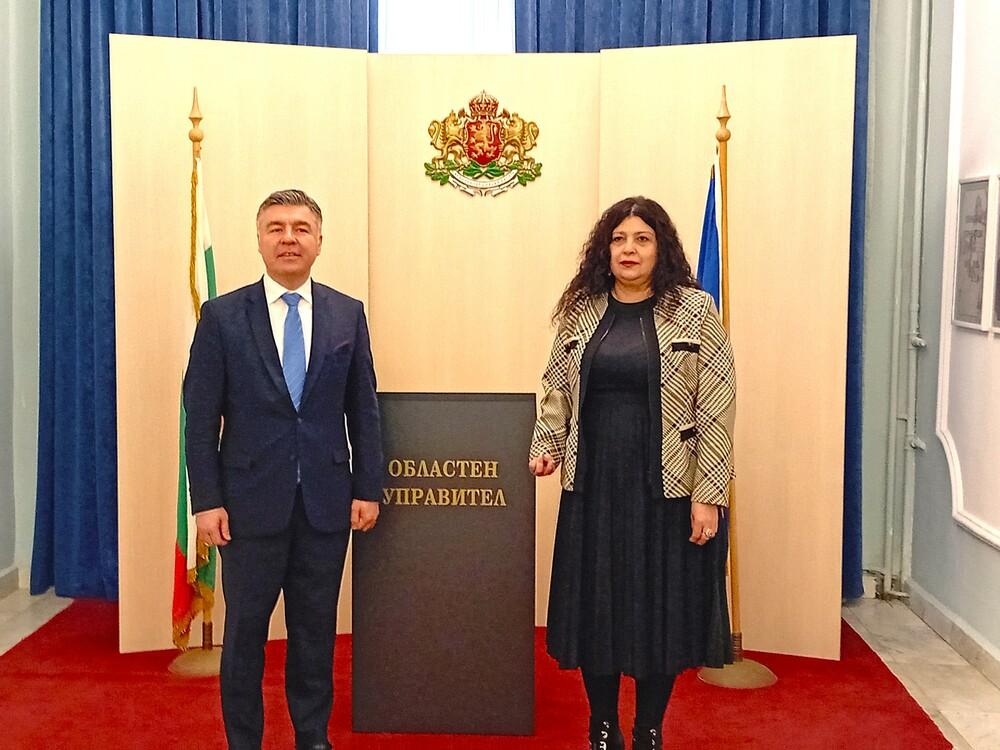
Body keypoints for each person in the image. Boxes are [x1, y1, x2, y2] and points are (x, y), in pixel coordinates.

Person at [528, 196, 736, 750]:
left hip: (667, 489)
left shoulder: (695, 310)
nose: (629, 249)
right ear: (605, 248)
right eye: (619, 238)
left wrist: (708, 494)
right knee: (597, 609)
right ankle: (602, 726)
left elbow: (716, 405)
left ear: (661, 248)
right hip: (592, 486)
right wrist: (546, 443)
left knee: (657, 612)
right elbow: (556, 386)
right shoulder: (582, 309)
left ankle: (649, 729)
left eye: (642, 239)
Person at [184, 189, 383, 750]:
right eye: (276, 228)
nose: (288, 238)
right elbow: (201, 418)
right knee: (245, 636)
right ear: (259, 240)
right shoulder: (223, 317)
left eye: (300, 228)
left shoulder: (347, 313)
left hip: (326, 504)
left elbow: (363, 407)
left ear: (319, 240)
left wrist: (368, 486)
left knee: (315, 634)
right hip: (246, 509)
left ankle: (312, 737)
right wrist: (206, 501)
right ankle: (244, 740)